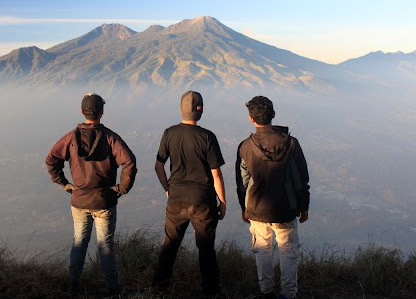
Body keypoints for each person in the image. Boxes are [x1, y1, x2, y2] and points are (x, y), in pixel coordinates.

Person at [45, 93, 137, 296]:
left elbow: (51, 159)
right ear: (101, 112)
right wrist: (121, 188)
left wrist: (63, 183)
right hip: (104, 201)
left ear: (81, 112)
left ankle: (73, 286)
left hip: (78, 200)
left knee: (79, 242)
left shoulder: (70, 138)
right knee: (106, 246)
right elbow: (129, 161)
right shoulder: (110, 137)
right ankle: (113, 290)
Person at [152, 90, 227, 296]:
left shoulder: (169, 133)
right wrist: (222, 202)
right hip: (202, 200)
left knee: (170, 244)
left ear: (180, 110)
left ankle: (159, 288)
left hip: (176, 198)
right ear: (200, 110)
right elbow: (217, 175)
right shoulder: (207, 137)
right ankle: (211, 291)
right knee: (205, 247)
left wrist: (168, 189)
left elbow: (159, 166)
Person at [235, 96, 310, 299]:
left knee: (262, 249)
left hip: (257, 208)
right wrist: (304, 206)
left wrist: (244, 207)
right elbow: (301, 179)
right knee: (288, 251)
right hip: (286, 208)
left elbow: (242, 182)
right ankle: (288, 293)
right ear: (274, 115)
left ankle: (266, 291)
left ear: (251, 119)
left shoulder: (245, 146)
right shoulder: (291, 144)